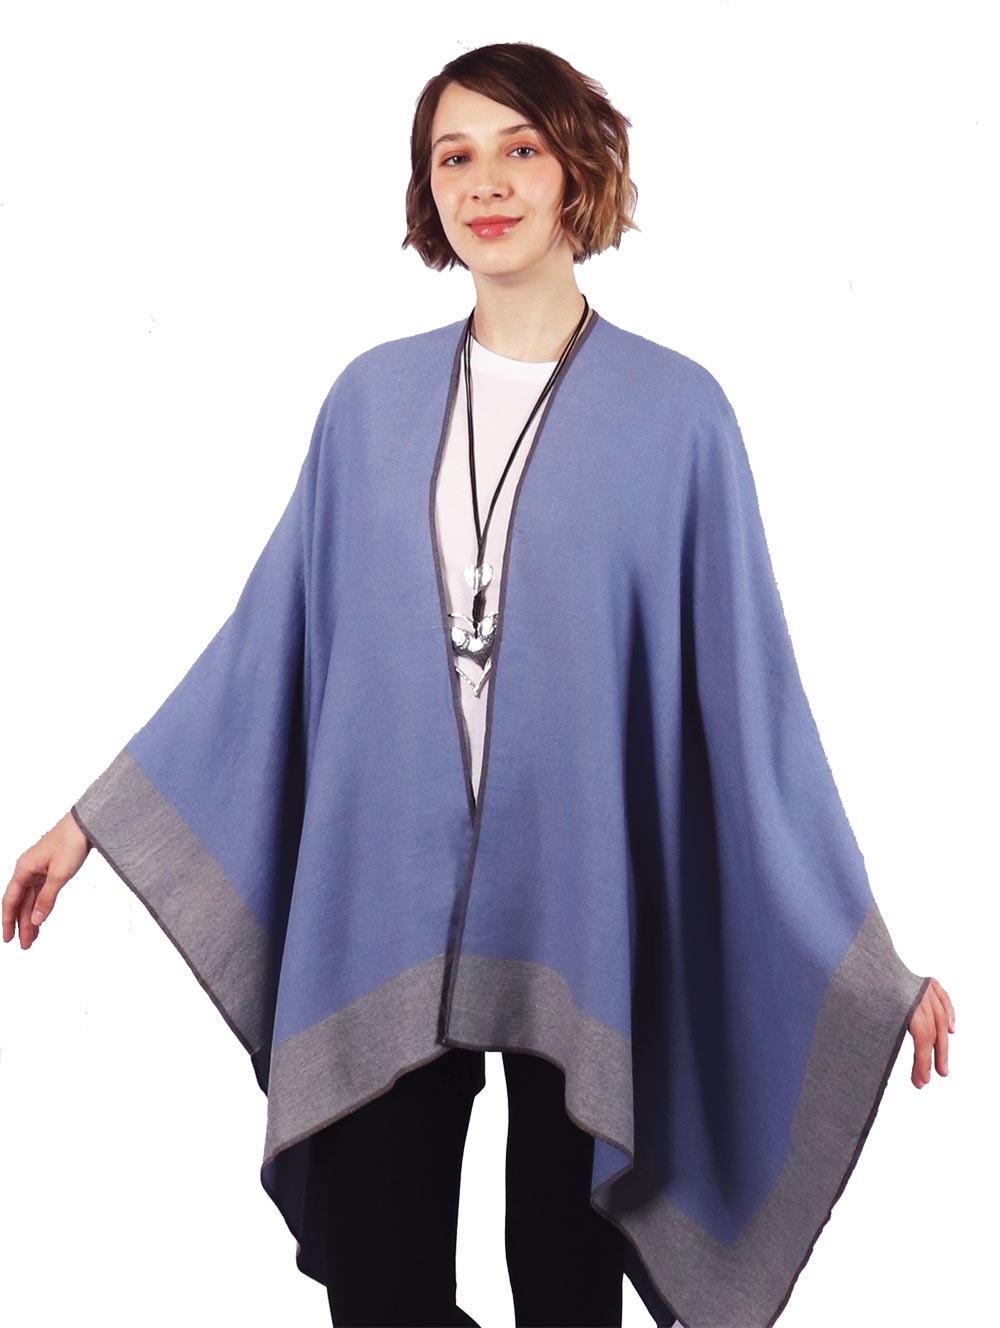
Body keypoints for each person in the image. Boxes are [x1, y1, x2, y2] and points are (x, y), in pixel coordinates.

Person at [4, 41, 954, 1328]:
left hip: (586, 908)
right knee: (378, 1284)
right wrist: (92, 820)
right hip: (380, 906)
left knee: (565, 1284)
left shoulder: (677, 416)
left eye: (520, 149)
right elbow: (269, 639)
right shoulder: (369, 403)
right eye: (454, 156)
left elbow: (753, 707)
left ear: (578, 172)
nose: (486, 183)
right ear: (427, 188)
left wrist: (867, 965)